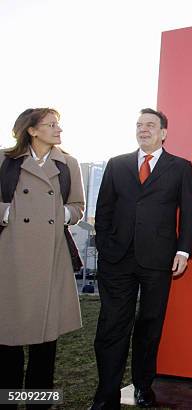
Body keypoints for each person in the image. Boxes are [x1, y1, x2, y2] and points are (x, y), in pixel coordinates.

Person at [91, 108, 192, 409]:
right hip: (117, 260)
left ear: (163, 132)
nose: (143, 129)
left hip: (158, 259)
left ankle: (142, 386)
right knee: (112, 326)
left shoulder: (180, 167)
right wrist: (105, 246)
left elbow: (188, 213)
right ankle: (106, 395)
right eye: (139, 125)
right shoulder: (117, 164)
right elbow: (105, 209)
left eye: (150, 125)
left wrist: (183, 250)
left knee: (149, 326)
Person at [0, 108, 85, 408]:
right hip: (9, 258)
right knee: (7, 342)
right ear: (32, 130)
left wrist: (61, 213)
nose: (58, 129)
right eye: (51, 124)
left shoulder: (68, 164)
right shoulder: (4, 161)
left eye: (58, 124)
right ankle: (8, 400)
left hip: (51, 258)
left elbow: (78, 206)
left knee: (46, 345)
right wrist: (9, 212)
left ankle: (39, 403)